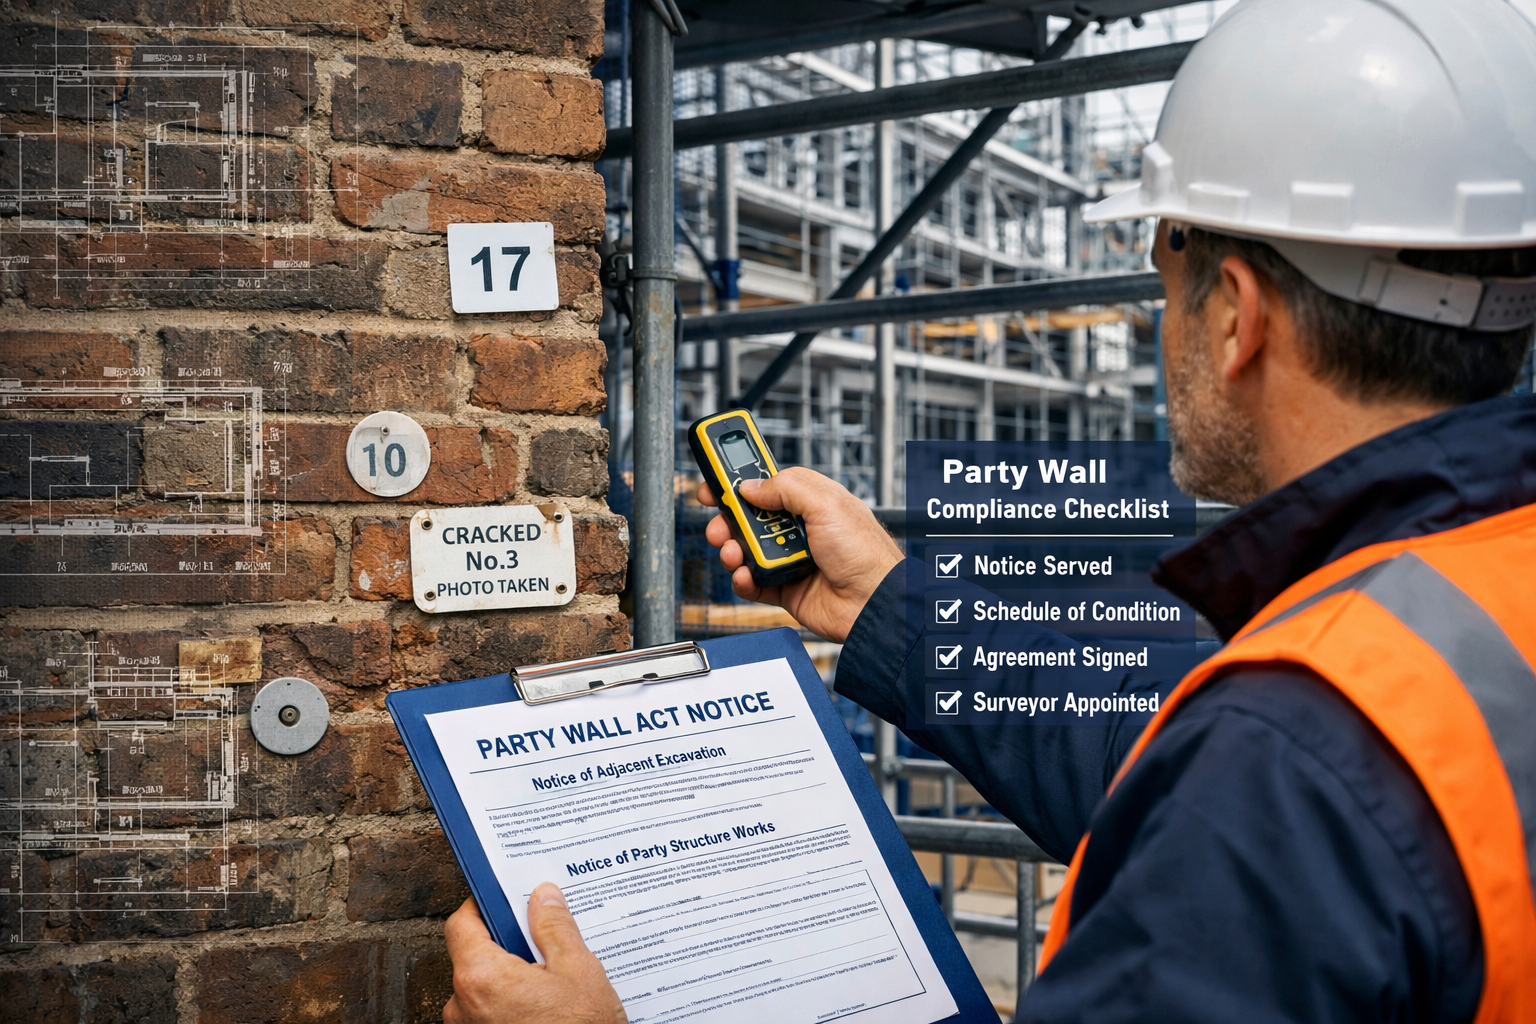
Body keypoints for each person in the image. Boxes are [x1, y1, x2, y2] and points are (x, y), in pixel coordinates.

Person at [441, 0, 1536, 1019]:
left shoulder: (1283, 752)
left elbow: (1243, 776)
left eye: (1163, 271)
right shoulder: (1460, 605)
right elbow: (1155, 753)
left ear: (1237, 315)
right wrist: (884, 601)